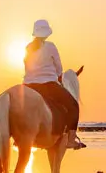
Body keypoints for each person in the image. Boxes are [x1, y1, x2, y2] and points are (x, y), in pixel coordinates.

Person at [22, 19, 84, 149]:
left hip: (28, 86)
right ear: (46, 34)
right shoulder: (50, 46)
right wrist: (58, 77)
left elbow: (27, 67)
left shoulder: (28, 48)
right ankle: (71, 140)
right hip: (48, 85)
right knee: (73, 106)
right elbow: (59, 68)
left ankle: (18, 138)